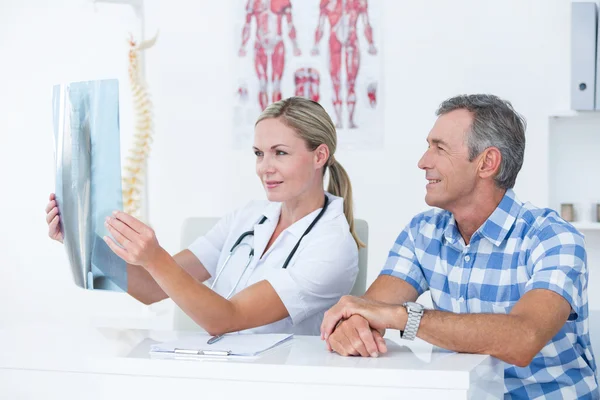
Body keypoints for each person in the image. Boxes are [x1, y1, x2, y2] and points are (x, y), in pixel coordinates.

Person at [320, 94, 598, 398]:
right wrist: (352, 326)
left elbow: (523, 339)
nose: (423, 162)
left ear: (487, 163)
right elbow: (367, 312)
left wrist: (402, 316)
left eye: (439, 148)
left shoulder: (552, 238)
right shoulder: (422, 232)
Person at [46, 96, 361, 336]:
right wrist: (83, 240)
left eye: (280, 152)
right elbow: (151, 288)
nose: (265, 167)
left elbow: (227, 318)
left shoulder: (332, 245)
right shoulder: (249, 218)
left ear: (319, 155)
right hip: (213, 373)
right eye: (258, 153)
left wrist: (154, 256)